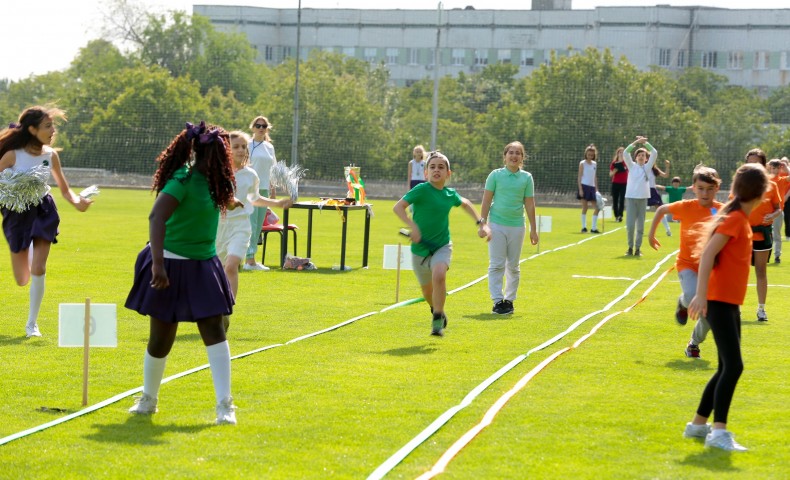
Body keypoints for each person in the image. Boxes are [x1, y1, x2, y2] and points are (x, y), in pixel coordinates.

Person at [125, 121, 240, 425]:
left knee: (214, 331)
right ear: (209, 154)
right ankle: (148, 400)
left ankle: (225, 405)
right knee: (162, 338)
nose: (227, 157)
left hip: (203, 264)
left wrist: (233, 199)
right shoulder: (183, 178)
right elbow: (156, 216)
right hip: (170, 263)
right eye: (224, 151)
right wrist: (159, 265)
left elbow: (217, 201)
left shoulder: (217, 181)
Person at [684, 162, 769, 452]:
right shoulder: (734, 220)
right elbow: (707, 254)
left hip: (729, 302)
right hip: (719, 301)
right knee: (733, 366)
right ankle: (718, 432)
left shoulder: (738, 219)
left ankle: (697, 426)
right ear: (761, 194)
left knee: (725, 367)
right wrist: (701, 295)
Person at [0, 106, 92, 338]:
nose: (53, 130)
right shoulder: (12, 155)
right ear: (32, 129)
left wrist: (77, 201)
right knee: (22, 279)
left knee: (39, 268)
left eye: (53, 125)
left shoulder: (51, 155)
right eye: (47, 126)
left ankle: (32, 324)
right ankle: (26, 249)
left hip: (44, 211)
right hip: (16, 213)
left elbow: (64, 189)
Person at [393, 151, 491, 336]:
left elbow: (466, 203)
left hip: (442, 246)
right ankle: (435, 308)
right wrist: (412, 226)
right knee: (427, 292)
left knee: (439, 275)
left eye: (441, 167)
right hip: (419, 250)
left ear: (448, 173)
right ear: (426, 173)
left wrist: (481, 224)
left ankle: (437, 320)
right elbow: (398, 207)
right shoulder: (420, 190)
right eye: (432, 167)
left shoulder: (449, 194)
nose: (436, 170)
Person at [216, 131, 292, 331]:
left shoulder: (251, 174)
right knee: (215, 272)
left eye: (243, 146)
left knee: (232, 266)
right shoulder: (216, 172)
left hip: (241, 227)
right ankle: (214, 306)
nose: (241, 150)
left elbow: (254, 198)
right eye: (236, 147)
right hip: (218, 228)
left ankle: (226, 310)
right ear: (226, 150)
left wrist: (276, 202)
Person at [648, 166, 722, 358]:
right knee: (691, 296)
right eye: (701, 188)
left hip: (713, 268)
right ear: (693, 188)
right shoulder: (686, 206)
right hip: (687, 263)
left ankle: (694, 343)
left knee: (709, 312)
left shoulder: (721, 211)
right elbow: (662, 210)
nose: (705, 193)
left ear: (716, 188)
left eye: (709, 189)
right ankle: (683, 302)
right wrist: (651, 234)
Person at [479, 141, 539, 315]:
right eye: (510, 152)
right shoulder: (495, 176)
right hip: (496, 224)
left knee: (513, 265)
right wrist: (482, 224)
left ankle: (509, 300)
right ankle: (497, 300)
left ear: (522, 157)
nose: (514, 156)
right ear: (504, 156)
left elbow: (529, 204)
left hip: (517, 226)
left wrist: (533, 229)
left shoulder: (526, 178)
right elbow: (486, 200)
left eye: (518, 153)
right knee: (497, 264)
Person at [742, 148, 782, 322]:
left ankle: (761, 309)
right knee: (739, 272)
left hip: (762, 234)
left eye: (757, 162)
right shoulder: (740, 183)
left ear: (764, 165)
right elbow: (731, 205)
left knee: (761, 271)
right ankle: (735, 307)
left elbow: (779, 208)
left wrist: (772, 215)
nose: (754, 165)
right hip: (742, 234)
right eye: (750, 162)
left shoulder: (771, 185)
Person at [244, 116, 277, 271]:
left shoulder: (269, 147)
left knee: (258, 226)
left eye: (264, 126)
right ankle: (248, 260)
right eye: (258, 126)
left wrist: (273, 189)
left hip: (264, 189)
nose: (261, 128)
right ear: (253, 128)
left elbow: (273, 169)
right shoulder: (248, 145)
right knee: (252, 223)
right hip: (250, 189)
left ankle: (251, 259)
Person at [622, 136, 657, 257]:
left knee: (640, 226)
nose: (641, 157)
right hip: (631, 198)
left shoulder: (647, 168)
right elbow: (626, 153)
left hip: (643, 199)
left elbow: (654, 152)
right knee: (631, 225)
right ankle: (630, 247)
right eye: (639, 155)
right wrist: (636, 142)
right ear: (636, 158)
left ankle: (638, 248)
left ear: (646, 159)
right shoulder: (631, 166)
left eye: (643, 155)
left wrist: (645, 143)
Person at [766, 158, 790, 263]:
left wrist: (786, 168)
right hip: (765, 211)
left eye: (775, 168)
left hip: (777, 211)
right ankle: (764, 255)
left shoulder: (781, 179)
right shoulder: (765, 179)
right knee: (765, 234)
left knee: (776, 235)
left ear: (779, 169)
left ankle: (777, 256)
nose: (773, 170)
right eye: (771, 168)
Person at [577, 144, 600, 233]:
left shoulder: (594, 164)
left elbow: (594, 177)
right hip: (584, 186)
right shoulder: (582, 163)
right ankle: (584, 227)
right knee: (585, 207)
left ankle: (593, 228)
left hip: (592, 188)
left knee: (597, 208)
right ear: (586, 154)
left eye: (592, 155)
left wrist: (596, 189)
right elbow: (579, 176)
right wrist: (580, 189)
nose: (590, 156)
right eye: (588, 154)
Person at [648, 158, 672, 236]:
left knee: (660, 210)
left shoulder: (655, 169)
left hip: (652, 191)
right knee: (639, 210)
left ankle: (668, 229)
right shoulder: (642, 168)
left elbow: (666, 175)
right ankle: (638, 230)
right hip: (643, 191)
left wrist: (667, 167)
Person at [609, 146, 627, 222]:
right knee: (615, 200)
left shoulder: (627, 162)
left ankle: (620, 215)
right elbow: (610, 174)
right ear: (617, 153)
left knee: (622, 200)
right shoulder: (614, 163)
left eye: (623, 152)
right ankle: (616, 216)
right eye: (620, 152)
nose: (621, 154)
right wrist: (615, 170)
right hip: (615, 183)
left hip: (624, 184)